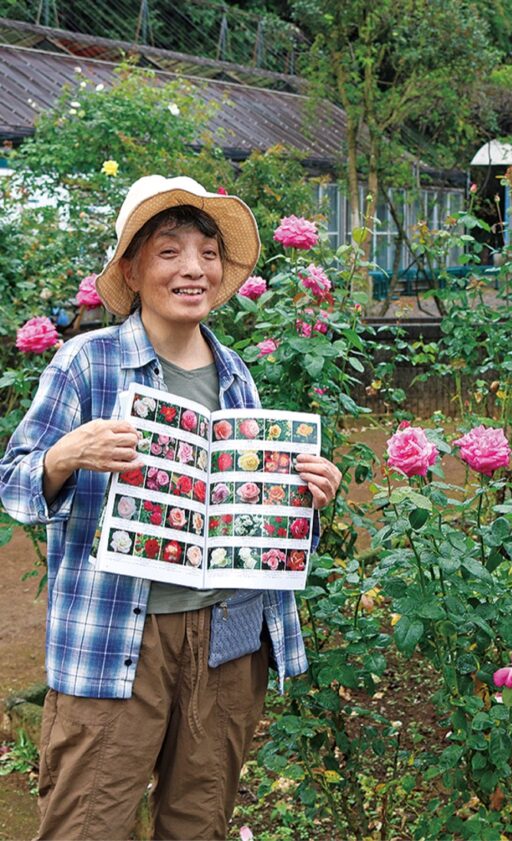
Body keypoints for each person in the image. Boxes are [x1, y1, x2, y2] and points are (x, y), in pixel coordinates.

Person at [0, 175, 342, 840]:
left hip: (226, 642)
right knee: (85, 823)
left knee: (199, 821)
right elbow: (13, 484)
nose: (194, 268)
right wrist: (66, 454)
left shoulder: (236, 372)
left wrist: (309, 495)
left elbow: (263, 524)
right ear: (131, 269)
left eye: (208, 253)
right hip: (117, 641)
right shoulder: (86, 364)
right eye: (169, 251)